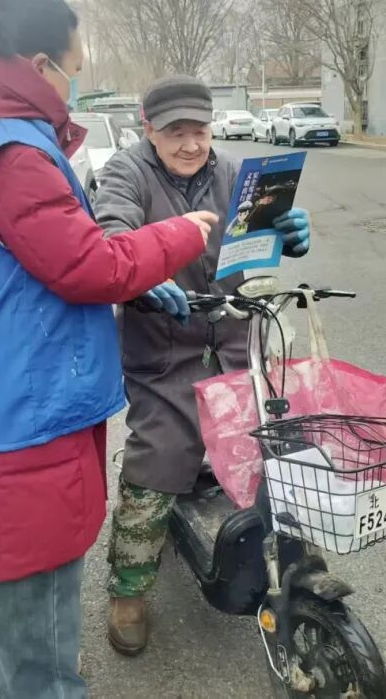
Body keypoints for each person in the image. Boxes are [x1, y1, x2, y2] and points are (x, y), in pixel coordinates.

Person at [0, 0, 218, 697]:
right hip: (21, 421)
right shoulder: (8, 154)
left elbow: (25, 260)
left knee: (2, 604)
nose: (74, 87)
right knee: (39, 632)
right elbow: (86, 263)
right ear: (39, 66)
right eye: (74, 69)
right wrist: (177, 237)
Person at [92, 75, 312, 655]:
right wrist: (142, 274)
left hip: (235, 334)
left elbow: (258, 236)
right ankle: (129, 587)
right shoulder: (126, 172)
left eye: (200, 131)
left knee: (264, 446)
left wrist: (288, 234)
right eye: (176, 133)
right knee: (161, 453)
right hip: (163, 343)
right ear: (149, 129)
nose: (191, 145)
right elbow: (111, 232)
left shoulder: (236, 173)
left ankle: (272, 560)